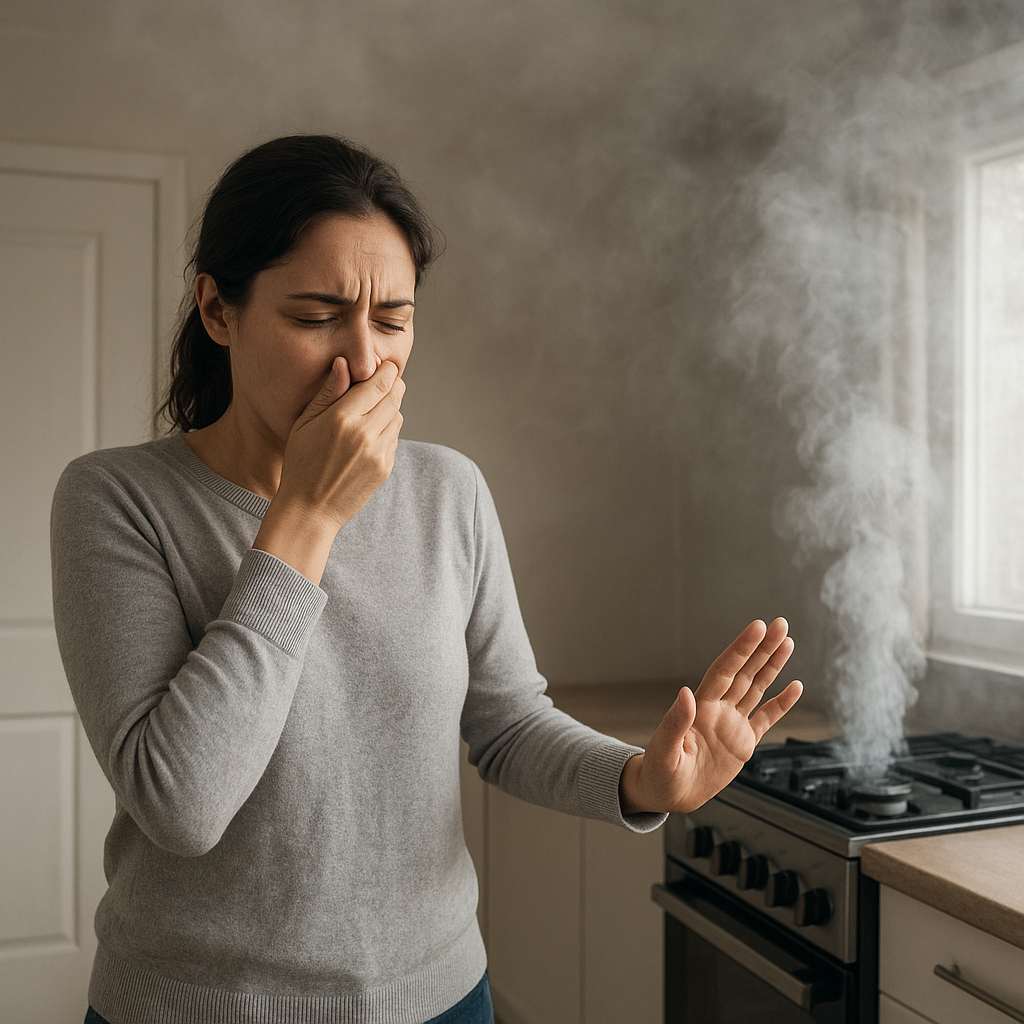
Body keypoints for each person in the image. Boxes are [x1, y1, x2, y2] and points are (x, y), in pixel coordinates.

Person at [51, 134, 803, 1024]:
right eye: (314, 315)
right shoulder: (116, 500)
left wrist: (641, 781)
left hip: (440, 998)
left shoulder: (449, 490)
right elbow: (182, 805)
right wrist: (309, 517)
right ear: (218, 309)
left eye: (393, 320)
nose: (363, 362)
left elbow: (509, 726)